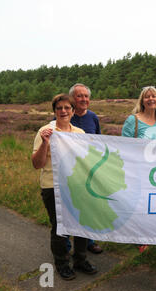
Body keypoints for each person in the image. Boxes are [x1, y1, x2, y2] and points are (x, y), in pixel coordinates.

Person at [32, 93, 98, 280]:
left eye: (67, 108)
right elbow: (37, 164)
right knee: (60, 226)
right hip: (53, 187)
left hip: (77, 187)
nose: (63, 111)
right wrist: (45, 143)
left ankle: (80, 259)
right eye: (59, 108)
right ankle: (62, 263)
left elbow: (86, 161)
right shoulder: (45, 131)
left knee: (81, 223)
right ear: (54, 111)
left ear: (73, 110)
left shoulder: (80, 134)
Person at [122, 86, 156, 253]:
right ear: (142, 101)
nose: (151, 99)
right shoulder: (133, 120)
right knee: (141, 207)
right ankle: (141, 239)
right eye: (147, 97)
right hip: (139, 174)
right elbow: (124, 147)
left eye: (154, 96)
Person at [68, 83, 103, 254]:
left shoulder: (93, 118)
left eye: (86, 96)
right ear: (72, 99)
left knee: (88, 207)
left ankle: (89, 240)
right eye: (79, 96)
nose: (83, 99)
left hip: (89, 171)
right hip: (69, 172)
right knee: (68, 207)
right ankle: (66, 243)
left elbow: (98, 142)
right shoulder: (63, 116)